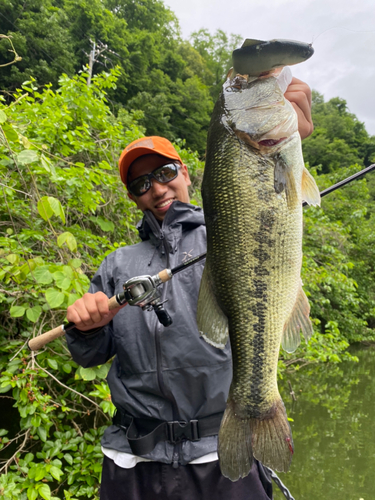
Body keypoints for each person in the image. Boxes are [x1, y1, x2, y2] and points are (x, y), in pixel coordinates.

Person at [66, 77, 314, 500]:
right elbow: (90, 354)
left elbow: (277, 216)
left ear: (184, 171)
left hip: (219, 454)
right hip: (133, 462)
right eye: (140, 184)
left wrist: (286, 142)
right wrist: (86, 328)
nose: (156, 189)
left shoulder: (225, 234)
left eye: (163, 173)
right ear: (133, 197)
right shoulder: (117, 265)